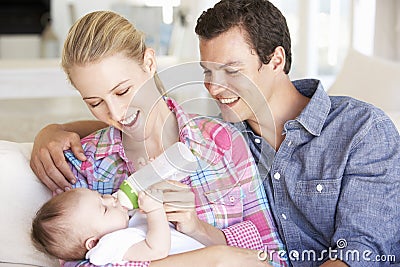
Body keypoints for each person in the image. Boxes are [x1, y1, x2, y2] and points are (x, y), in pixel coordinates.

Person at [30, 1, 400, 266]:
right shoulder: (228, 131)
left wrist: (212, 246)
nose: (215, 88)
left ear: (276, 59)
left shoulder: (358, 130)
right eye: (207, 71)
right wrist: (56, 129)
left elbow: (360, 251)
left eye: (232, 70)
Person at [31, 10, 287, 267]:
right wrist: (212, 258)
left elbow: (272, 257)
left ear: (149, 63)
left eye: (123, 91)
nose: (116, 114)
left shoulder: (223, 143)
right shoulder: (84, 165)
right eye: (95, 103)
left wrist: (197, 228)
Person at [31, 187, 205, 265]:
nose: (110, 198)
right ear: (93, 242)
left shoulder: (121, 224)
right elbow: (157, 250)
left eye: (100, 195)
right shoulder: (109, 246)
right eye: (104, 209)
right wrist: (155, 211)